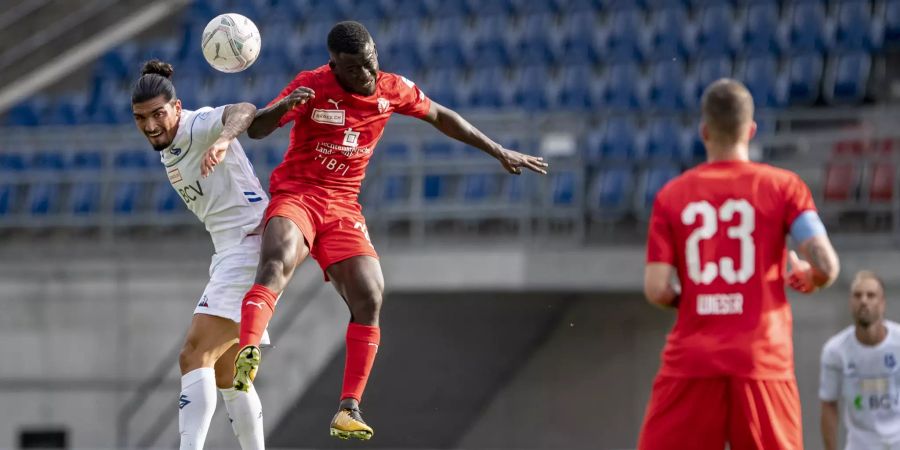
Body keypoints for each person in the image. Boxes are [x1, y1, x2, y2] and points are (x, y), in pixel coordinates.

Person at [222, 21, 548, 441]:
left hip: (342, 206)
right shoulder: (311, 86)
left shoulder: (392, 89)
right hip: (299, 194)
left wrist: (497, 149)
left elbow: (442, 117)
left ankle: (348, 407)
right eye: (355, 68)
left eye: (370, 63)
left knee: (371, 294)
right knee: (278, 260)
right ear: (334, 66)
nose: (367, 74)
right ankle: (248, 349)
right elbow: (258, 127)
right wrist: (282, 109)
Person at [636, 78, 841, 450]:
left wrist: (698, 297)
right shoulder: (785, 187)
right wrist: (812, 277)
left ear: (704, 132)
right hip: (762, 360)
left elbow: (657, 289)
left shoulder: (672, 196)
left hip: (692, 362)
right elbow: (826, 263)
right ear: (751, 130)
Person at [131, 60, 268, 450]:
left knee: (194, 355)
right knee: (227, 371)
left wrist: (224, 139)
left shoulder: (196, 124)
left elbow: (244, 110)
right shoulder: (167, 142)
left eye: (158, 114)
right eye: (141, 118)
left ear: (177, 107)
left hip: (249, 245)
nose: (151, 125)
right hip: (234, 249)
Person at [820, 271, 900, 450]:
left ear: (882, 303)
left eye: (871, 295)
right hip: (861, 444)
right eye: (858, 295)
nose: (864, 300)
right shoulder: (835, 351)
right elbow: (829, 404)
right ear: (850, 302)